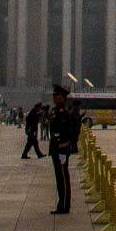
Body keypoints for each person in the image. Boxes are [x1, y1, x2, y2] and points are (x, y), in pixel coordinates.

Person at [47, 86, 80, 214]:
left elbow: (67, 132)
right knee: (59, 176)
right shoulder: (56, 111)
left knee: (63, 176)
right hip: (56, 147)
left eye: (58, 96)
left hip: (61, 148)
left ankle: (65, 204)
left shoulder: (63, 113)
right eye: (54, 96)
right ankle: (62, 203)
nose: (55, 98)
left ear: (63, 98)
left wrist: (63, 146)